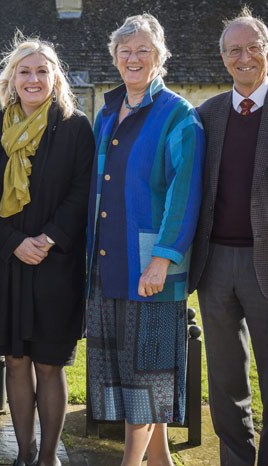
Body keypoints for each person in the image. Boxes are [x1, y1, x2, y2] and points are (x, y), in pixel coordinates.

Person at [85, 14, 204, 466]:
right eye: (125, 52)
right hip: (106, 265)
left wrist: (162, 261)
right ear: (115, 58)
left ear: (160, 57)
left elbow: (184, 194)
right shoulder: (106, 113)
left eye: (143, 51)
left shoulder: (179, 116)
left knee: (146, 377)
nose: (133, 59)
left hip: (150, 271)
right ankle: (161, 462)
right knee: (125, 375)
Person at [189, 7, 268, 466]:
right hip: (215, 264)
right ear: (223, 59)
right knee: (224, 379)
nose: (244, 57)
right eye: (234, 50)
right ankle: (235, 459)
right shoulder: (207, 115)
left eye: (252, 47)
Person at [0, 36, 94, 466]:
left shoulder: (76, 126)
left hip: (55, 263)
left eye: (42, 70)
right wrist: (12, 243)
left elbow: (83, 192)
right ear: (12, 79)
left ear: (55, 77)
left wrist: (46, 239)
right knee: (14, 359)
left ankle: (48, 456)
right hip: (8, 263)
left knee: (49, 363)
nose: (33, 78)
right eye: (24, 71)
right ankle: (23, 453)